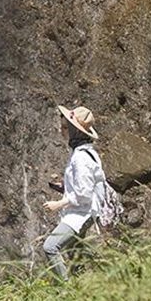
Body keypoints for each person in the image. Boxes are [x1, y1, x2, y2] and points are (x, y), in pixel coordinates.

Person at [41, 104, 108, 280]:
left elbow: (84, 194)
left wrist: (59, 204)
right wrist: (64, 187)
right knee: (75, 255)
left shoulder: (81, 158)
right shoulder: (86, 153)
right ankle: (85, 288)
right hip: (86, 211)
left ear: (75, 131)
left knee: (50, 247)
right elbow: (85, 185)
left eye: (65, 127)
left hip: (81, 214)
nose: (61, 131)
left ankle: (65, 290)